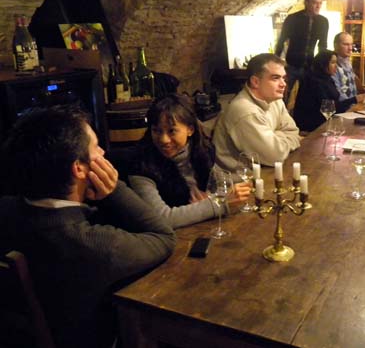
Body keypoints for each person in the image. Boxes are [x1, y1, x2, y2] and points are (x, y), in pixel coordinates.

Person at [0, 106, 176, 348]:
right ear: (79, 168)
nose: (103, 152)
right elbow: (163, 237)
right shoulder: (94, 245)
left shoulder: (7, 209)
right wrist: (114, 190)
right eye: (96, 147)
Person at [128, 94, 251, 229]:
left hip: (200, 228)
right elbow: (162, 218)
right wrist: (217, 204)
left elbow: (215, 185)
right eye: (156, 131)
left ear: (190, 130)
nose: (164, 139)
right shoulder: (141, 164)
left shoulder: (202, 150)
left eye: (172, 131)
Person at [213, 53, 301, 171]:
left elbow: (294, 132)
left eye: (283, 78)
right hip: (239, 183)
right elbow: (275, 155)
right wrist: (279, 137)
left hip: (265, 171)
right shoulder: (245, 111)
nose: (283, 84)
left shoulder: (275, 100)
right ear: (255, 82)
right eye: (275, 78)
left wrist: (276, 139)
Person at [275, 0, 329, 97]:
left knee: (306, 97)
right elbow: (281, 41)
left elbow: (322, 45)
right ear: (307, 2)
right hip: (291, 65)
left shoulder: (323, 21)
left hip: (310, 66)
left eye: (320, 3)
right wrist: (277, 62)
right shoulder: (293, 19)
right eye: (314, 2)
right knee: (282, 95)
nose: (318, 6)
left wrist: (322, 66)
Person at [293, 50, 357, 132]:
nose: (336, 66)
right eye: (333, 63)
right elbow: (328, 109)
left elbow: (334, 104)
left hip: (326, 121)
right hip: (313, 127)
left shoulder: (327, 78)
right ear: (323, 64)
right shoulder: (314, 82)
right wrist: (354, 100)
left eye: (336, 63)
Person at [332, 32, 365, 103]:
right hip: (343, 110)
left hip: (352, 107)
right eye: (346, 44)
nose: (350, 48)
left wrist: (364, 93)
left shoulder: (347, 62)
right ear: (336, 45)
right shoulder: (333, 65)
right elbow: (338, 95)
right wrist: (355, 100)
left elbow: (354, 82)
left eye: (351, 44)